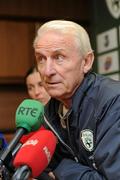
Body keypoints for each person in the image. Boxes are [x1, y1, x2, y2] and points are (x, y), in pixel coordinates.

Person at [33, 20, 120, 179]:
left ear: (86, 62)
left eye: (58, 57)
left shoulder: (114, 102)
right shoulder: (48, 112)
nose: (47, 71)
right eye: (41, 59)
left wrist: (61, 167)